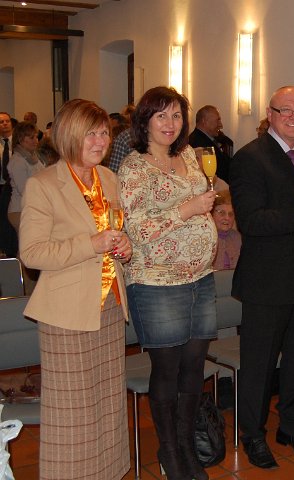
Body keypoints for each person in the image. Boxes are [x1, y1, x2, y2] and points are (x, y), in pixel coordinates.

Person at [19, 98, 132, 479]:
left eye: (104, 133)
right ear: (69, 136)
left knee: (108, 407)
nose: (100, 141)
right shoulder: (43, 184)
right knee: (72, 415)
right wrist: (92, 244)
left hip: (110, 306)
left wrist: (125, 247)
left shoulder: (109, 179)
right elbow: (32, 253)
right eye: (90, 134)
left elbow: (115, 235)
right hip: (66, 315)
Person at [230, 85, 294, 469]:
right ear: (270, 113)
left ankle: (291, 427)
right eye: (285, 110)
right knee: (259, 367)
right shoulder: (249, 157)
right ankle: (253, 435)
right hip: (267, 281)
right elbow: (251, 221)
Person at [119, 86, 218, 480]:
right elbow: (136, 229)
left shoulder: (189, 154)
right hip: (157, 282)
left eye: (176, 115)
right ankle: (170, 451)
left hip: (201, 278)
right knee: (167, 369)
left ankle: (188, 446)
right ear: (144, 121)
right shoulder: (134, 168)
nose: (170, 123)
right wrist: (187, 209)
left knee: (194, 367)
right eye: (161, 115)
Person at [7, 122, 44, 234]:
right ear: (20, 139)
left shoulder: (33, 157)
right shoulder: (17, 161)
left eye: (36, 137)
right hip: (20, 210)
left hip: (32, 208)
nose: (35, 141)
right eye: (31, 138)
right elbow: (24, 191)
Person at [189, 105, 232, 182]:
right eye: (218, 120)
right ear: (204, 121)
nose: (221, 125)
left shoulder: (209, 139)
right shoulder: (197, 143)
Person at [0, 111, 18, 257]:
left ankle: (11, 249)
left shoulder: (18, 144)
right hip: (0, 185)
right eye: (1, 122)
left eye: (7, 121)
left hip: (13, 187)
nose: (5, 124)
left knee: (9, 220)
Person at [211, 190, 241, 270]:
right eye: (222, 213)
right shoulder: (204, 238)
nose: (227, 218)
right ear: (211, 214)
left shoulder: (238, 238)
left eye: (231, 214)